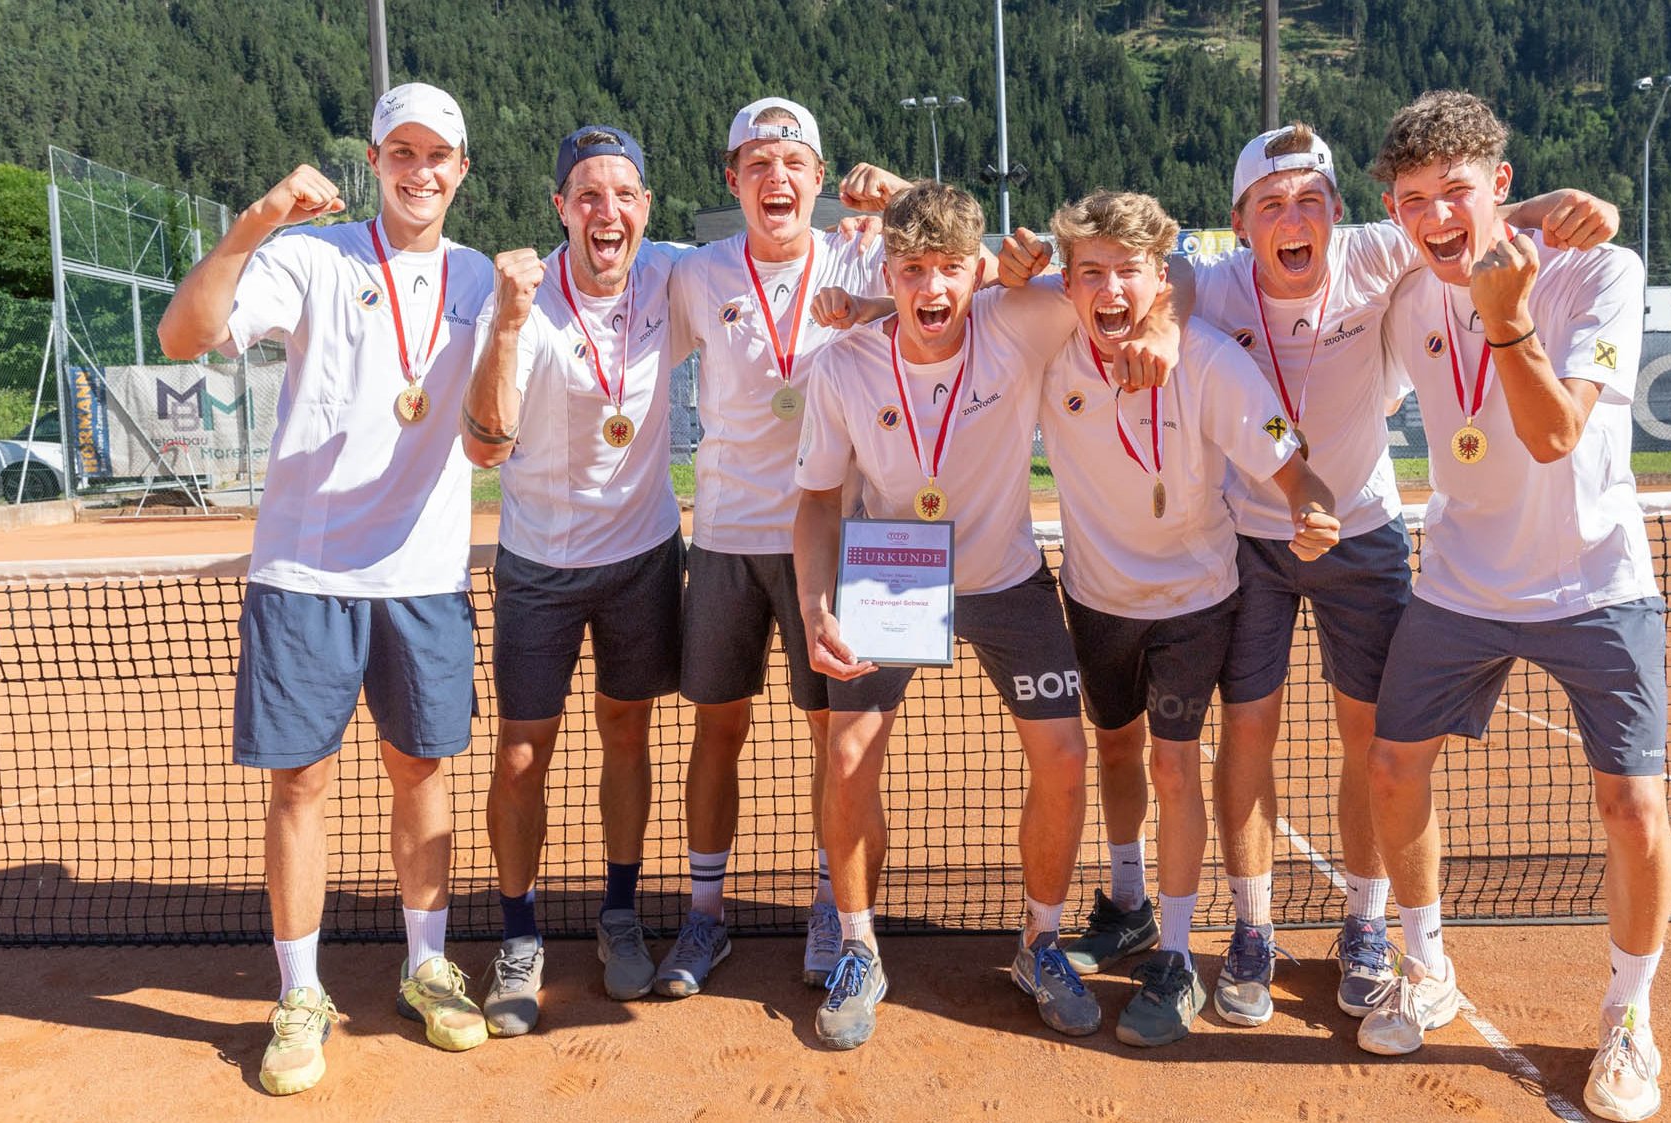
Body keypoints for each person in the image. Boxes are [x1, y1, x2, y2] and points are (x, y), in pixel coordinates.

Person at [1170, 123, 1624, 1028]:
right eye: (1270, 205)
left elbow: (1464, 220)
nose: (1292, 220)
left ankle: (1367, 922)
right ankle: (1252, 928)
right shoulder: (1213, 284)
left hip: (1365, 533)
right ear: (1240, 221)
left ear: (1340, 212)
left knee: (1373, 741)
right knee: (1247, 731)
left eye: (1310, 201)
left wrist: (1567, 208)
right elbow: (1148, 273)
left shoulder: (1379, 254)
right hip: (1251, 538)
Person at [157, 83, 493, 1095]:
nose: (420, 170)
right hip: (305, 571)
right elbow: (182, 337)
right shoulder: (309, 255)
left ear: (462, 169)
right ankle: (299, 992)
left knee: (420, 773)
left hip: (423, 576)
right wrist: (257, 219)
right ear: (375, 160)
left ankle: (425, 965)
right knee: (300, 784)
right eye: (403, 151)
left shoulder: (480, 276)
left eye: (438, 154)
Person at [791, 181, 1176, 1050]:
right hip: (892, 570)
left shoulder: (1020, 320)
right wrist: (817, 603)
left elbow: (1140, 278)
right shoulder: (843, 365)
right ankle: (857, 946)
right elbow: (816, 499)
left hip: (1005, 576)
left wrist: (1161, 327)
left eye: (951, 268)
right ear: (886, 273)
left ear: (979, 272)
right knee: (846, 756)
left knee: (1066, 755)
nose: (931, 288)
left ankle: (1041, 941)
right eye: (912, 270)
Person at [1362, 90, 1671, 1123]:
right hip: (1459, 582)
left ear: (1497, 183)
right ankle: (1424, 965)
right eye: (1413, 200)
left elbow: (1553, 436)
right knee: (1392, 765)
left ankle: (1628, 1015)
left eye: (1455, 191)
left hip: (1596, 584)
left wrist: (1505, 317)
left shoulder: (1602, 272)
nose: (1435, 217)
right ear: (1394, 210)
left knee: (1631, 807)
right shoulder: (1404, 285)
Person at [1031, 190, 1341, 1046]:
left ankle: (1173, 954)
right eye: (1091, 272)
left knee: (1173, 765)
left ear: (1159, 279)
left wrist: (1313, 509)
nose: (1110, 290)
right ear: (1068, 283)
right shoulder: (1047, 356)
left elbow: (1293, 463)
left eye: (1127, 271)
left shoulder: (1208, 361)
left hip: (1195, 603)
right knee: (1114, 748)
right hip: (1096, 597)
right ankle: (1128, 904)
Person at [658, 97, 889, 997]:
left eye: (793, 163)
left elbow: (970, 266)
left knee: (836, 736)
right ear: (733, 180)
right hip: (725, 539)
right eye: (757, 163)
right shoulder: (695, 274)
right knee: (718, 726)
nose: (776, 178)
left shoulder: (863, 255)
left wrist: (900, 194)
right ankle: (704, 913)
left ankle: (834, 902)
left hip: (834, 539)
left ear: (820, 179)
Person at [460, 124, 685, 1034]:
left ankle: (620, 913)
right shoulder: (522, 298)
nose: (607, 210)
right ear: (561, 208)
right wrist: (509, 324)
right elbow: (487, 444)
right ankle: (519, 936)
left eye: (623, 194)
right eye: (588, 194)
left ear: (645, 209)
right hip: (540, 566)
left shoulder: (672, 274)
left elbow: (783, 264)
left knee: (627, 732)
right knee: (523, 753)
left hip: (643, 557)